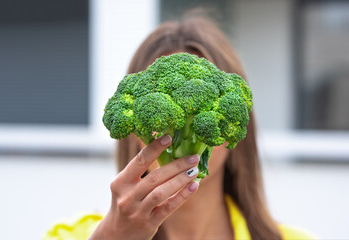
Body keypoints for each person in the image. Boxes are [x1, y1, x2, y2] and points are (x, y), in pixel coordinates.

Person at [44, 15, 316, 240]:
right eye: (160, 110)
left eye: (203, 108)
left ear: (237, 122)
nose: (174, 128)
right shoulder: (70, 235)